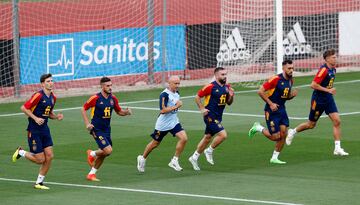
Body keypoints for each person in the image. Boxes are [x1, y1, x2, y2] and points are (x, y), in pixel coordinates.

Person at [286, 49, 349, 156]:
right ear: (327, 59)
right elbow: (313, 85)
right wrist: (328, 90)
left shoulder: (333, 69)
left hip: (328, 99)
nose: (335, 59)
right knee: (311, 125)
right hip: (318, 100)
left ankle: (337, 148)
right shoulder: (323, 70)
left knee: (337, 121)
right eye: (333, 57)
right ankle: (292, 131)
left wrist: (328, 91)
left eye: (335, 56)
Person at [12, 73, 64, 190]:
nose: (51, 83)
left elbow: (48, 113)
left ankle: (39, 183)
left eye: (51, 81)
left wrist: (56, 117)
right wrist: (35, 118)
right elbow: (24, 107)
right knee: (40, 159)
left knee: (49, 156)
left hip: (45, 130)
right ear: (42, 84)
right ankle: (21, 152)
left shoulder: (53, 98)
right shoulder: (38, 96)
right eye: (48, 81)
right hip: (34, 130)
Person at [81, 77, 132, 181]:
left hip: (107, 129)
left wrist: (126, 113)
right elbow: (83, 108)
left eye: (111, 85)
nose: (110, 88)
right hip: (96, 129)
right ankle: (92, 154)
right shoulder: (95, 98)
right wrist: (87, 124)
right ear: (102, 86)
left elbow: (119, 112)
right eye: (107, 86)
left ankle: (91, 173)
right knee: (107, 150)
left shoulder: (113, 99)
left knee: (105, 153)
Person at [248, 60, 297, 164]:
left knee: (283, 134)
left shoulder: (291, 80)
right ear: (283, 68)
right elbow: (260, 91)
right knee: (276, 137)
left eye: (292, 68)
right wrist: (271, 103)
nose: (291, 70)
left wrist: (291, 96)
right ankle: (258, 128)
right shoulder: (275, 79)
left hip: (282, 109)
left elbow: (285, 96)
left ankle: (274, 157)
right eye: (289, 68)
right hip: (271, 110)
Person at [137, 76, 188, 172]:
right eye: (175, 83)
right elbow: (163, 110)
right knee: (155, 143)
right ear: (169, 83)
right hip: (163, 124)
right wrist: (176, 106)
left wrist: (176, 106)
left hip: (174, 122)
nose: (177, 86)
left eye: (178, 83)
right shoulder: (164, 95)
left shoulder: (177, 93)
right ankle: (142, 158)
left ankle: (174, 160)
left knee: (184, 138)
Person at [188, 67, 234, 171]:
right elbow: (197, 97)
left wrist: (231, 96)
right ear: (216, 75)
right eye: (222, 74)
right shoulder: (210, 86)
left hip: (218, 117)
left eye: (225, 74)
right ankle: (209, 150)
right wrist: (202, 109)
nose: (225, 76)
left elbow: (229, 103)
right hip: (210, 116)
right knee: (223, 135)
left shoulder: (227, 87)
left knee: (207, 137)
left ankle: (194, 157)